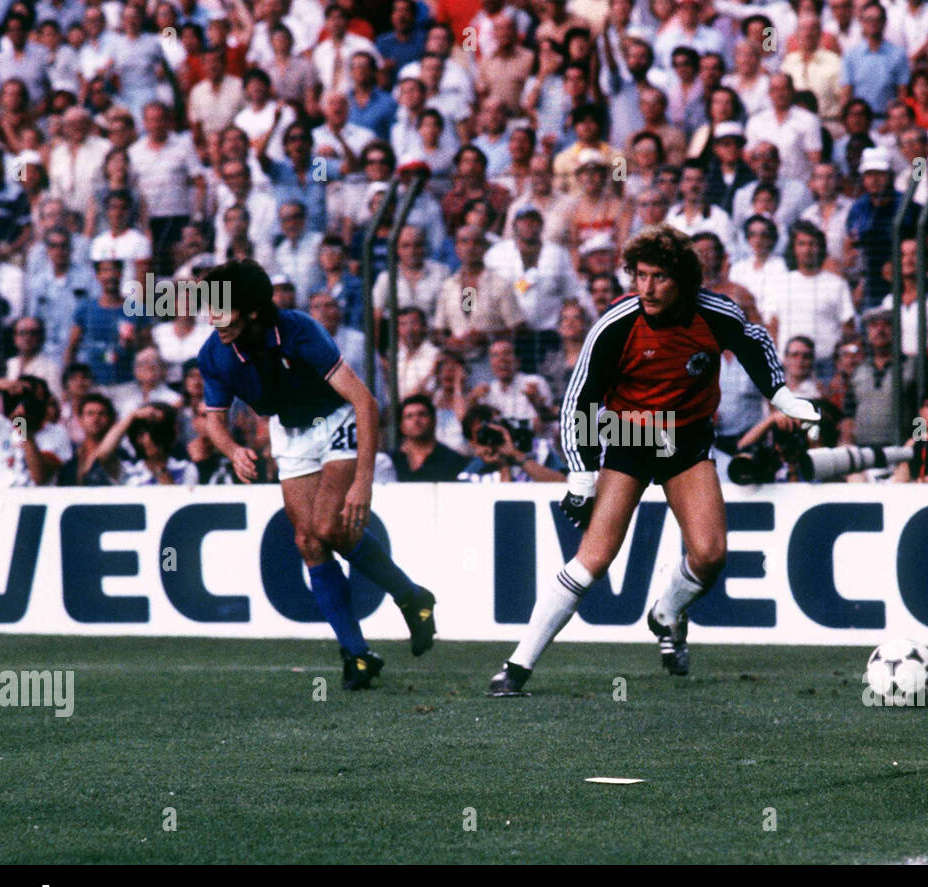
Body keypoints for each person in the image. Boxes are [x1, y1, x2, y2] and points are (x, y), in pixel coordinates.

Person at [487, 225, 818, 696]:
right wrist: (581, 476)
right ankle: (517, 667)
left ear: (682, 279)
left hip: (686, 444)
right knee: (593, 559)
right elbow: (578, 401)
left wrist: (782, 396)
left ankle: (665, 613)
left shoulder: (714, 311)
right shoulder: (616, 323)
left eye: (659, 277)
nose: (646, 288)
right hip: (627, 440)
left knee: (710, 554)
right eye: (639, 275)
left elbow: (755, 341)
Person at [196, 260, 438, 690]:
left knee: (329, 526)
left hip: (335, 419)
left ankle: (408, 596)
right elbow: (213, 419)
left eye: (221, 308)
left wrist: (363, 482)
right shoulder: (214, 353)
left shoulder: (297, 329)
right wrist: (233, 450)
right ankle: (358, 652)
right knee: (308, 540)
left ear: (251, 309)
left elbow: (365, 402)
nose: (212, 318)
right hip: (288, 432)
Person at [391, 394, 469, 481]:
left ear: (434, 421)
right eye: (409, 416)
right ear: (401, 426)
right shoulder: (391, 461)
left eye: (422, 414)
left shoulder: (454, 461)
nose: (416, 420)